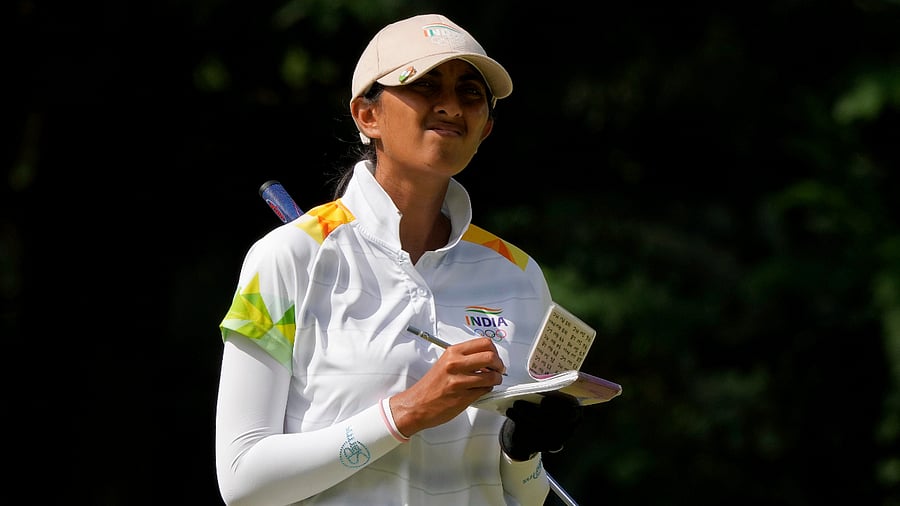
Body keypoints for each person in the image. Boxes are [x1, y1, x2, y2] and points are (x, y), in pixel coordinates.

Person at [215, 13, 583, 505]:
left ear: (486, 129)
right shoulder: (290, 257)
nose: (451, 105)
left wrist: (524, 456)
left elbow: (526, 497)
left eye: (470, 93)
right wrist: (406, 413)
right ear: (367, 115)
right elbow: (243, 482)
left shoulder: (517, 275)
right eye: (425, 84)